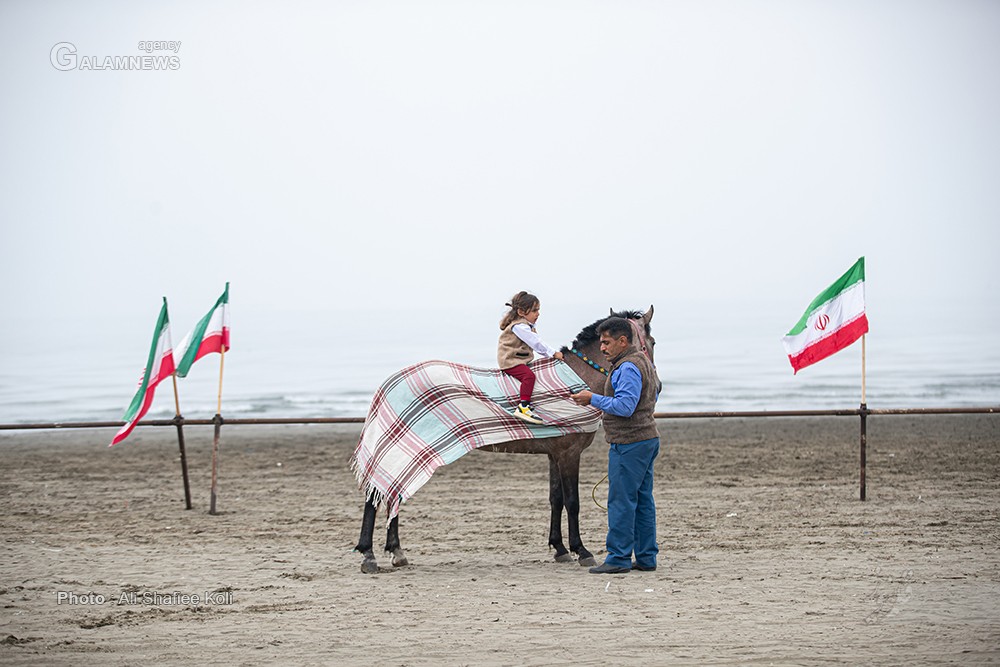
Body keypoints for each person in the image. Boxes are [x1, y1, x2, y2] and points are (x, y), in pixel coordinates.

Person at [571, 316, 660, 574]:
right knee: (643, 501)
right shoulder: (642, 362)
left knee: (621, 501)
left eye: (606, 342)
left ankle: (618, 558)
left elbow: (625, 406)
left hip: (630, 442)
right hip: (645, 439)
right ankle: (646, 557)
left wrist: (593, 398)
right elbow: (652, 395)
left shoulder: (628, 367)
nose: (602, 348)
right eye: (601, 343)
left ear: (623, 341)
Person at [498, 291, 564, 425]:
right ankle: (523, 406)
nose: (538, 314)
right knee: (529, 376)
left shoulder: (525, 326)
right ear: (521, 312)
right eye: (534, 310)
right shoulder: (519, 327)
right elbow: (536, 343)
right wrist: (553, 353)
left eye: (538, 310)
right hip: (510, 361)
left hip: (519, 359)